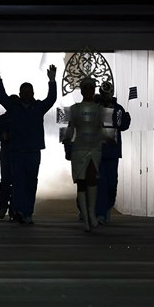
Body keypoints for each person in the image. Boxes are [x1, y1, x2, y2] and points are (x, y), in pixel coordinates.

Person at [0, 64, 57, 225]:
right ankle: (19, 211)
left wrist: (52, 80)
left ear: (33, 93)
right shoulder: (13, 107)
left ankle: (27, 212)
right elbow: (2, 96)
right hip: (17, 152)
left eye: (29, 92)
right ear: (20, 93)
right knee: (19, 184)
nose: (27, 94)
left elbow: (51, 99)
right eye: (24, 92)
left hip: (33, 152)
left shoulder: (38, 107)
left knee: (31, 183)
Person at [62, 77, 104, 231]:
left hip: (95, 148)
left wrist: (108, 140)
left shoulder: (100, 109)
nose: (88, 90)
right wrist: (66, 141)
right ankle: (86, 217)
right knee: (81, 182)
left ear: (94, 90)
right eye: (86, 88)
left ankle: (91, 214)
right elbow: (69, 127)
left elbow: (105, 129)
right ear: (82, 90)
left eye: (91, 88)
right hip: (79, 148)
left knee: (92, 179)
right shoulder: (73, 109)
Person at [95, 81, 131, 224]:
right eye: (104, 93)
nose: (106, 96)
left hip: (112, 152)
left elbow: (122, 126)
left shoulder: (118, 108)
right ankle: (101, 213)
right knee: (100, 184)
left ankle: (107, 207)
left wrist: (126, 118)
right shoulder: (95, 107)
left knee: (111, 184)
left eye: (108, 93)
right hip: (97, 151)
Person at [0, 94, 20, 220]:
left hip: (12, 153)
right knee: (9, 181)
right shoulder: (3, 119)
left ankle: (7, 207)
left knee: (9, 181)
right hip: (9, 153)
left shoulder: (3, 118)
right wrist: (2, 136)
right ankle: (6, 207)